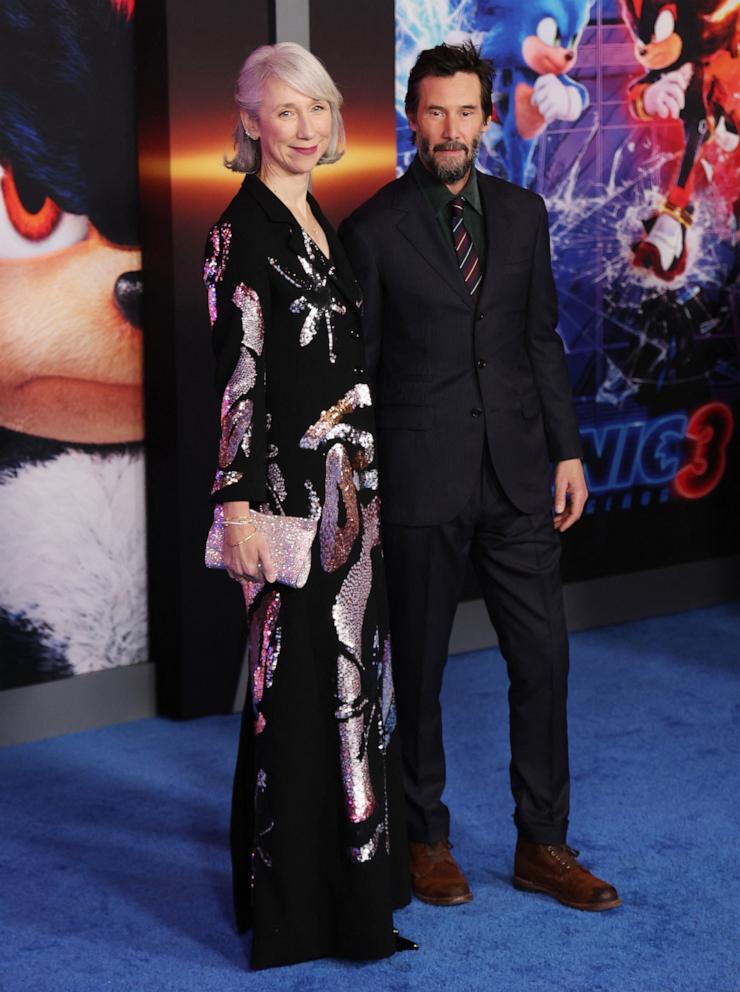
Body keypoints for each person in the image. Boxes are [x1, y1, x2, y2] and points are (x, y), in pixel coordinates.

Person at [340, 42, 620, 912]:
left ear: (487, 118)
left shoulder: (526, 213)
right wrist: (364, 489)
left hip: (517, 474)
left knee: (543, 659)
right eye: (435, 112)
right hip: (420, 482)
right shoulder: (373, 229)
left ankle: (544, 843)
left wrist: (567, 452)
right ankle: (426, 840)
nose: (450, 129)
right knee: (416, 671)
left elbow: (540, 337)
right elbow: (362, 372)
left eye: (466, 112)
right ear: (412, 118)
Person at [202, 42, 412, 970]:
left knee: (350, 692)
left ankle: (348, 887)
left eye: (316, 110)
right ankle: (301, 915)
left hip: (351, 503)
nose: (303, 128)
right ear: (250, 121)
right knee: (293, 701)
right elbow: (238, 385)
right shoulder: (237, 231)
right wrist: (239, 507)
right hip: (287, 511)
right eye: (283, 112)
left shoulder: (317, 217)